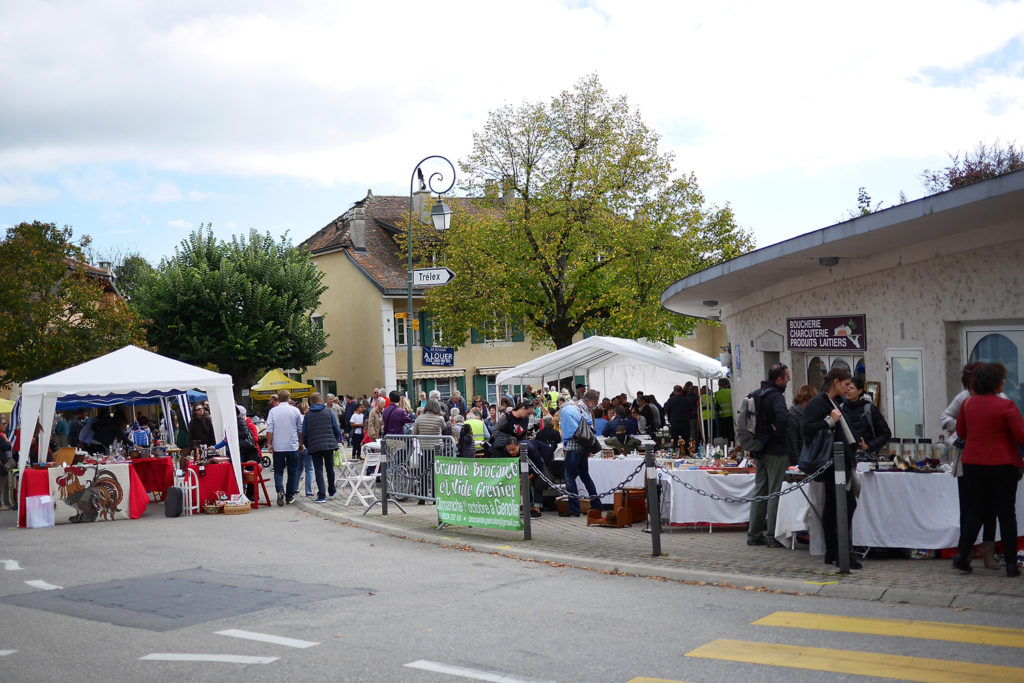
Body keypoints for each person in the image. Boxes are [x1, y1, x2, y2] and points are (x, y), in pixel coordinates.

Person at [953, 362, 1024, 577]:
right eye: (1001, 379)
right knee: (1006, 513)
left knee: (976, 510)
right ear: (995, 382)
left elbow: (960, 431)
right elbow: (1021, 436)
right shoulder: (1007, 406)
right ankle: (1011, 564)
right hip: (1003, 463)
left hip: (974, 463)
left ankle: (961, 556)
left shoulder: (967, 404)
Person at [941, 362, 1002, 569]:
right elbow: (945, 418)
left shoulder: (1000, 399)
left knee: (990, 510)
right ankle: (965, 553)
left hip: (990, 460)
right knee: (969, 509)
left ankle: (987, 554)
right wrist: (958, 433)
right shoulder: (963, 398)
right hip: (966, 460)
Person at [803, 366, 862, 569]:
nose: (848, 388)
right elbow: (807, 428)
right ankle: (840, 552)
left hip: (837, 461)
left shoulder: (832, 401)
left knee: (835, 506)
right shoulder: (820, 401)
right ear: (836, 382)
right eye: (846, 384)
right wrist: (830, 421)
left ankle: (834, 552)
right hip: (832, 462)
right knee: (842, 506)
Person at [747, 362, 792, 549]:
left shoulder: (756, 394)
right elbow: (782, 418)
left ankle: (754, 534)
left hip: (759, 449)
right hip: (776, 451)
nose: (788, 381)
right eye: (787, 378)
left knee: (759, 490)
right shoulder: (777, 397)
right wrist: (776, 433)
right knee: (775, 492)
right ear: (779, 379)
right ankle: (773, 535)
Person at [559, 389, 602, 517]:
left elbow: (568, 431)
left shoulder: (569, 409)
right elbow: (590, 424)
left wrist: (565, 441)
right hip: (585, 445)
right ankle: (596, 505)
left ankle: (574, 509)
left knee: (570, 477)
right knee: (585, 475)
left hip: (573, 445)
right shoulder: (580, 409)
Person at [266, 389, 304, 506]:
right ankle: (289, 496)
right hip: (292, 445)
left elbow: (269, 429)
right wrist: (301, 443)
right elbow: (300, 429)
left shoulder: (273, 411)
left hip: (278, 446)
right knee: (292, 471)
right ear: (289, 398)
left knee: (278, 471)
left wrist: (269, 444)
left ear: (278, 398)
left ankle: (280, 490)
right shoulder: (295, 410)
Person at [302, 392, 342, 503]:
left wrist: (308, 445)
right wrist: (334, 439)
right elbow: (336, 429)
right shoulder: (328, 411)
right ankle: (332, 490)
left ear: (310, 402)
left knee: (318, 470)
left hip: (314, 445)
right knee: (330, 469)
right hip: (328, 445)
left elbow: (304, 433)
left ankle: (321, 495)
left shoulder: (308, 415)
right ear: (321, 400)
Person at [840, 377, 891, 456]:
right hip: (845, 457)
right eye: (846, 387)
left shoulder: (869, 409)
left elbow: (885, 434)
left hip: (866, 457)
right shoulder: (841, 408)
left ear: (859, 391)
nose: (847, 390)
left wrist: (868, 446)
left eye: (851, 388)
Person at [786, 385, 817, 466]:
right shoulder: (793, 416)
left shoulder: (809, 414)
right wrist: (796, 466)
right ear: (804, 400)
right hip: (799, 462)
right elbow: (793, 444)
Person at [664, 384, 696, 454]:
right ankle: (686, 455)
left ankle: (676, 454)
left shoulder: (670, 400)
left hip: (674, 423)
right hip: (685, 423)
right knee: (686, 441)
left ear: (674, 392)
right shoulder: (688, 400)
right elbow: (693, 411)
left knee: (675, 441)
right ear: (682, 391)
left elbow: (666, 410)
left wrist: (670, 417)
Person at [714, 379, 734, 444]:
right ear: (727, 384)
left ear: (719, 385)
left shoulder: (716, 394)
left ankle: (726, 448)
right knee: (732, 434)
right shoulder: (731, 392)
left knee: (724, 436)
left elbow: (715, 406)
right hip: (731, 416)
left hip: (721, 417)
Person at [0, 418, 13, 510]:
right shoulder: (1, 437)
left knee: (7, 484)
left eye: (5, 423)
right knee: (2, 485)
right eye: (3, 423)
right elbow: (8, 446)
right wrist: (6, 439)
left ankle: (7, 502)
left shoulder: (2, 435)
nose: (5, 425)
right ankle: (1, 504)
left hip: (5, 462)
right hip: (2, 463)